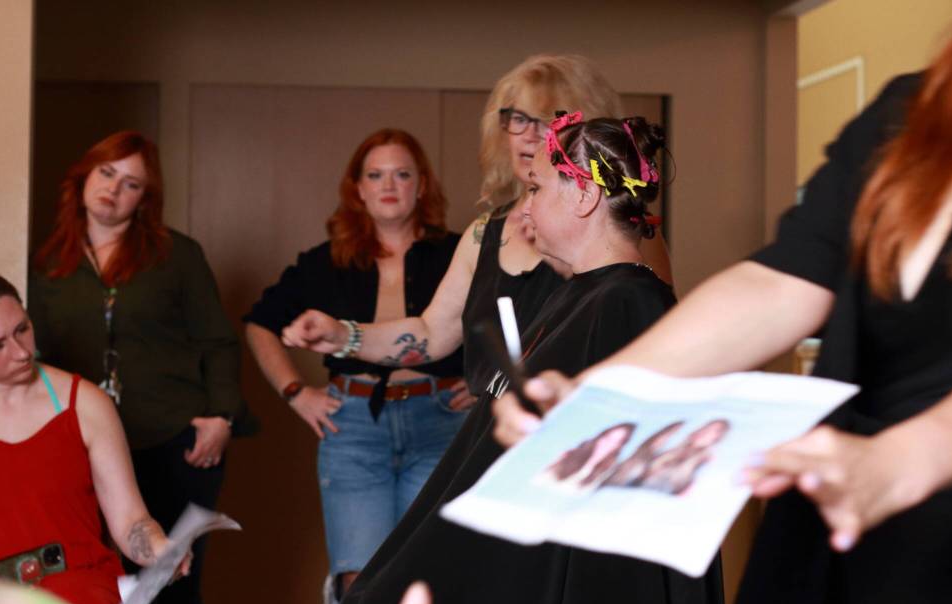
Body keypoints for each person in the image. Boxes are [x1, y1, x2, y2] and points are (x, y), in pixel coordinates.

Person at [494, 4, 952, 604]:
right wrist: (600, 392)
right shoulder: (910, 115)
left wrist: (900, 462)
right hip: (840, 567)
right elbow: (781, 282)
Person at [299, 113, 723, 604]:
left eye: (535, 188)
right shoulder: (579, 297)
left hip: (550, 576)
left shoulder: (625, 305)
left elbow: (641, 493)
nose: (523, 209)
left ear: (584, 198)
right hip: (513, 548)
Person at [285, 54, 671, 399]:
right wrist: (344, 335)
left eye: (549, 119)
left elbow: (650, 351)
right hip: (488, 441)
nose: (530, 135)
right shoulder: (482, 232)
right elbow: (431, 334)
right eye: (518, 118)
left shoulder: (626, 234)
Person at [28, 131, 248, 604]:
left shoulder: (177, 256)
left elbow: (217, 341)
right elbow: (39, 356)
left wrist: (221, 417)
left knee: (170, 579)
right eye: (106, 174)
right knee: (101, 576)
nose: (113, 191)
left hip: (175, 442)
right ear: (83, 177)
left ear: (145, 199)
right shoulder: (48, 261)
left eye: (131, 185)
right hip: (86, 445)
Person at [243, 129, 471, 604]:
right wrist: (295, 393)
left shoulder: (459, 255)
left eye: (402, 173)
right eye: (375, 174)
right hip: (354, 432)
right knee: (359, 579)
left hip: (439, 423)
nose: (389, 185)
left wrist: (487, 385)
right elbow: (260, 322)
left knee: (426, 579)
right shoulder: (325, 261)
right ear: (358, 189)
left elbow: (513, 323)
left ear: (421, 185)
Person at [0, 267, 185, 604]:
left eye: (22, 329)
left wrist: (160, 548)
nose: (21, 352)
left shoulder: (85, 403)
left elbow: (131, 520)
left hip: (78, 599)